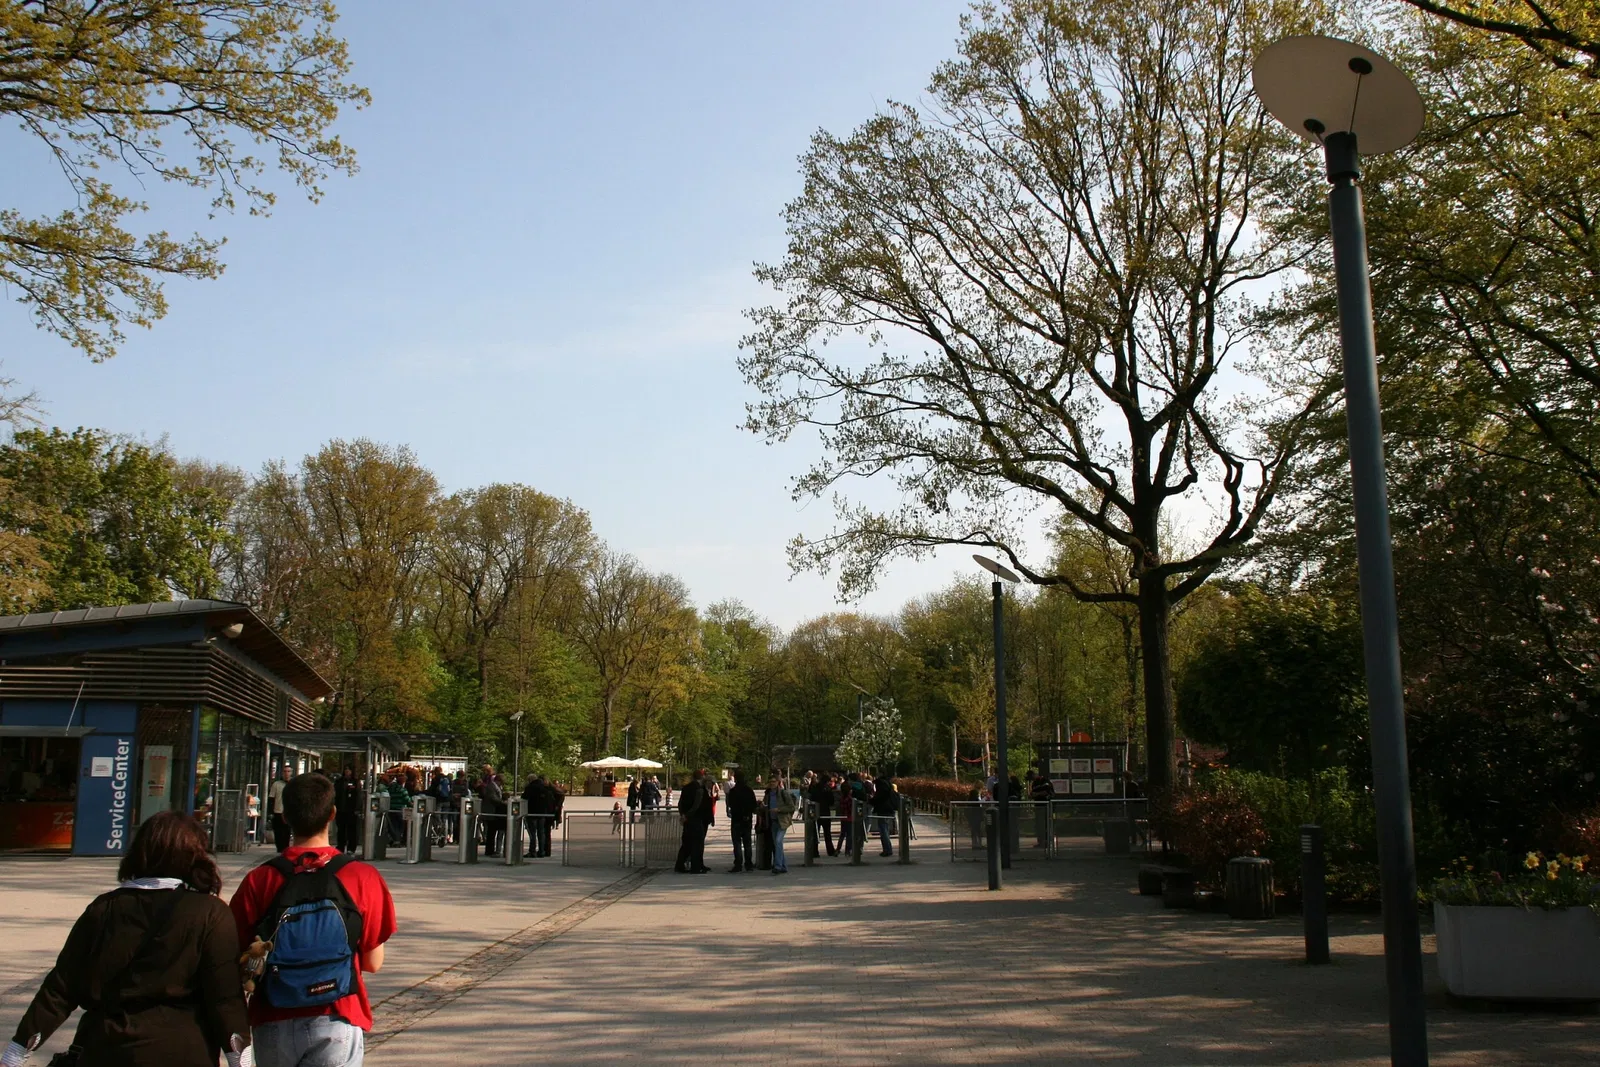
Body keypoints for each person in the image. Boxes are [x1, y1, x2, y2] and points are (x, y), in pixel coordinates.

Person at [4, 811, 250, 1067]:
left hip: (106, 1050)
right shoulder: (210, 913)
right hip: (183, 1051)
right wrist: (240, 1060)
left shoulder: (103, 909)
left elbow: (60, 990)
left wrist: (15, 1054)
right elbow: (225, 998)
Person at [229, 771, 396, 1067]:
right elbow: (373, 962)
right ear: (332, 814)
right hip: (338, 1011)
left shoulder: (260, 879)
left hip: (273, 1014)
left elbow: (238, 955)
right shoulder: (361, 876)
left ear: (285, 818)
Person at [674, 770, 712, 874]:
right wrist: (687, 815)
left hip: (687, 819)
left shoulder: (686, 788)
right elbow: (696, 805)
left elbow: (680, 803)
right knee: (697, 843)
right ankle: (696, 867)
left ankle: (679, 865)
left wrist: (682, 814)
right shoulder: (699, 789)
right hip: (696, 818)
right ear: (701, 777)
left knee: (686, 843)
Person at [724, 770, 758, 873]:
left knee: (737, 843)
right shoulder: (749, 790)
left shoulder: (733, 791)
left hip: (736, 819)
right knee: (747, 843)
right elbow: (753, 805)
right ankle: (748, 864)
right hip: (747, 819)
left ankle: (738, 864)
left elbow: (730, 804)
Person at [767, 770, 797, 874]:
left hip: (782, 822)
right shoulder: (768, 794)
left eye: (774, 782)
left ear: (778, 782)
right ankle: (783, 866)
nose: (772, 783)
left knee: (778, 841)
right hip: (773, 821)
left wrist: (779, 809)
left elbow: (791, 807)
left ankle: (778, 866)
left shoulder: (783, 793)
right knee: (777, 844)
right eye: (770, 782)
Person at [333, 767, 361, 854]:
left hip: (351, 810)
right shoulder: (339, 781)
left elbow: (358, 796)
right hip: (341, 809)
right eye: (345, 769)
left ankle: (351, 848)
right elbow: (335, 794)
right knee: (341, 830)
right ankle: (340, 846)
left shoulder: (355, 782)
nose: (347, 771)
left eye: (349, 770)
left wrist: (357, 808)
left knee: (351, 830)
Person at [871, 771, 899, 856]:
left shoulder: (881, 784)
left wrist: (872, 801)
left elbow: (880, 796)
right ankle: (887, 849)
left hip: (883, 808)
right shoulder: (888, 783)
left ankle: (887, 849)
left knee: (883, 829)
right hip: (889, 807)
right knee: (884, 828)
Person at [809, 774, 837, 856]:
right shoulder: (827, 789)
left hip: (816, 811)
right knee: (827, 833)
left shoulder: (814, 788)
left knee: (815, 832)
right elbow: (831, 801)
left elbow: (811, 798)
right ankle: (830, 850)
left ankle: (814, 851)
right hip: (825, 812)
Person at [479, 764, 504, 856]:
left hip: (492, 811)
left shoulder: (492, 786)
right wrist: (502, 802)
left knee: (491, 831)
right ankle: (489, 850)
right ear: (499, 781)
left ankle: (490, 849)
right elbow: (493, 798)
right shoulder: (492, 786)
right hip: (491, 811)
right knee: (491, 832)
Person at [269, 764, 293, 852]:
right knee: (278, 831)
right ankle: (279, 848)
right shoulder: (276, 784)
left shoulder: (293, 784)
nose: (286, 773)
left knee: (287, 831)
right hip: (278, 811)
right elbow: (271, 798)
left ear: (291, 772)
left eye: (288, 771)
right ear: (282, 773)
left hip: (289, 811)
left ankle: (286, 848)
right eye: (285, 771)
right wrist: (271, 812)